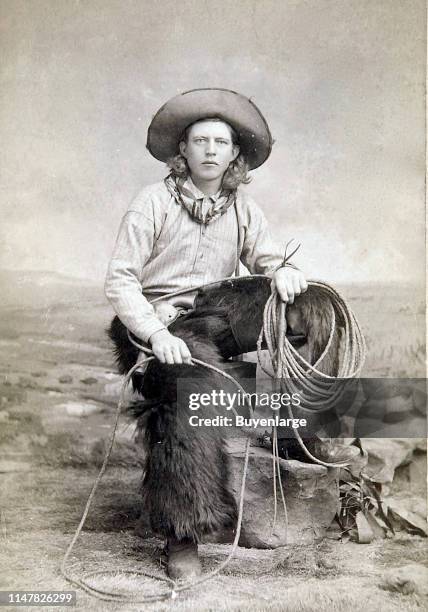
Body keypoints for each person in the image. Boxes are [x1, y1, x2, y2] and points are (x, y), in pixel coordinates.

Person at [104, 88, 308, 579]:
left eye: (221, 141)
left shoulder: (242, 207)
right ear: (184, 150)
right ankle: (184, 534)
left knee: (306, 314)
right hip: (154, 324)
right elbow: (120, 280)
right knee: (189, 373)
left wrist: (282, 269)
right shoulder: (151, 202)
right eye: (200, 141)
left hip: (214, 315)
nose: (211, 150)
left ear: (236, 153)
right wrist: (155, 334)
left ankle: (300, 439)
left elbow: (266, 256)